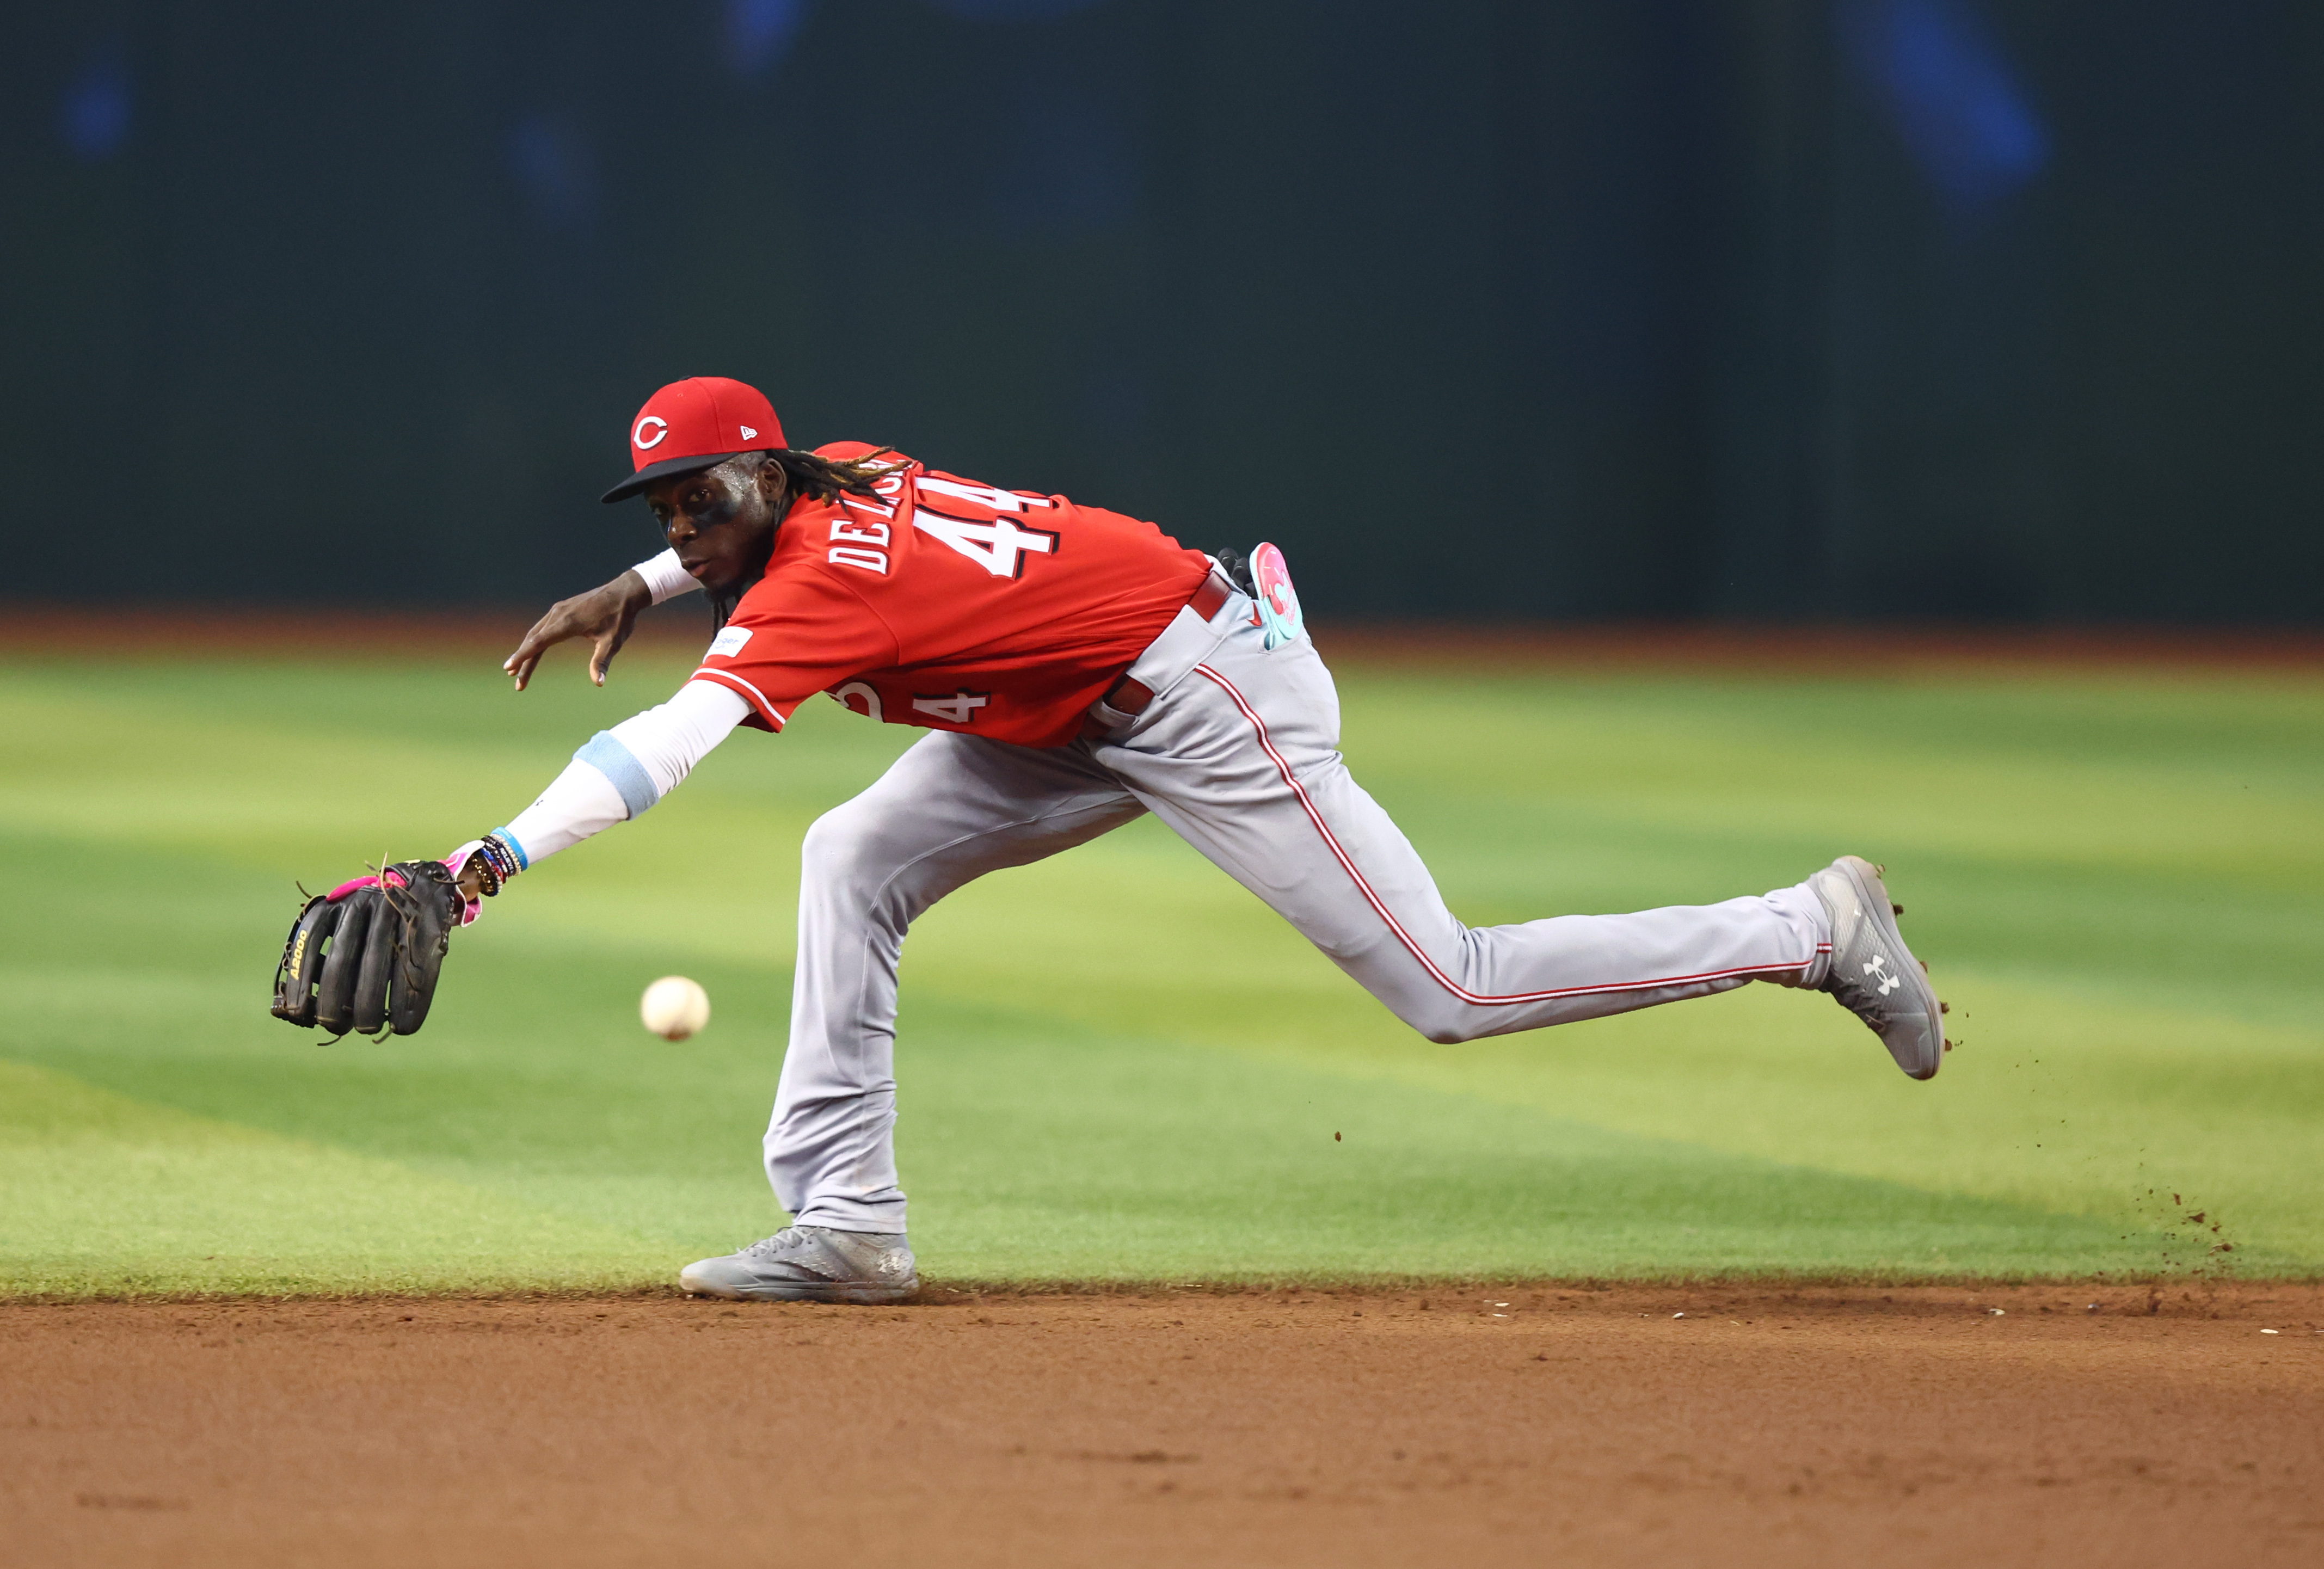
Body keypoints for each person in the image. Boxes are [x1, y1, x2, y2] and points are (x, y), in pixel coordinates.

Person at [300, 375, 1949, 1305]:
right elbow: (737, 546)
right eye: (661, 515)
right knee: (849, 859)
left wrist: (475, 869)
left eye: (699, 508)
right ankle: (846, 1225)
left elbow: (664, 744)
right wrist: (643, 588)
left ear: (770, 475)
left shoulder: (820, 579)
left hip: (1207, 696)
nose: (682, 533)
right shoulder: (839, 472)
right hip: (1068, 707)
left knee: (1452, 983)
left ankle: (1812, 923)